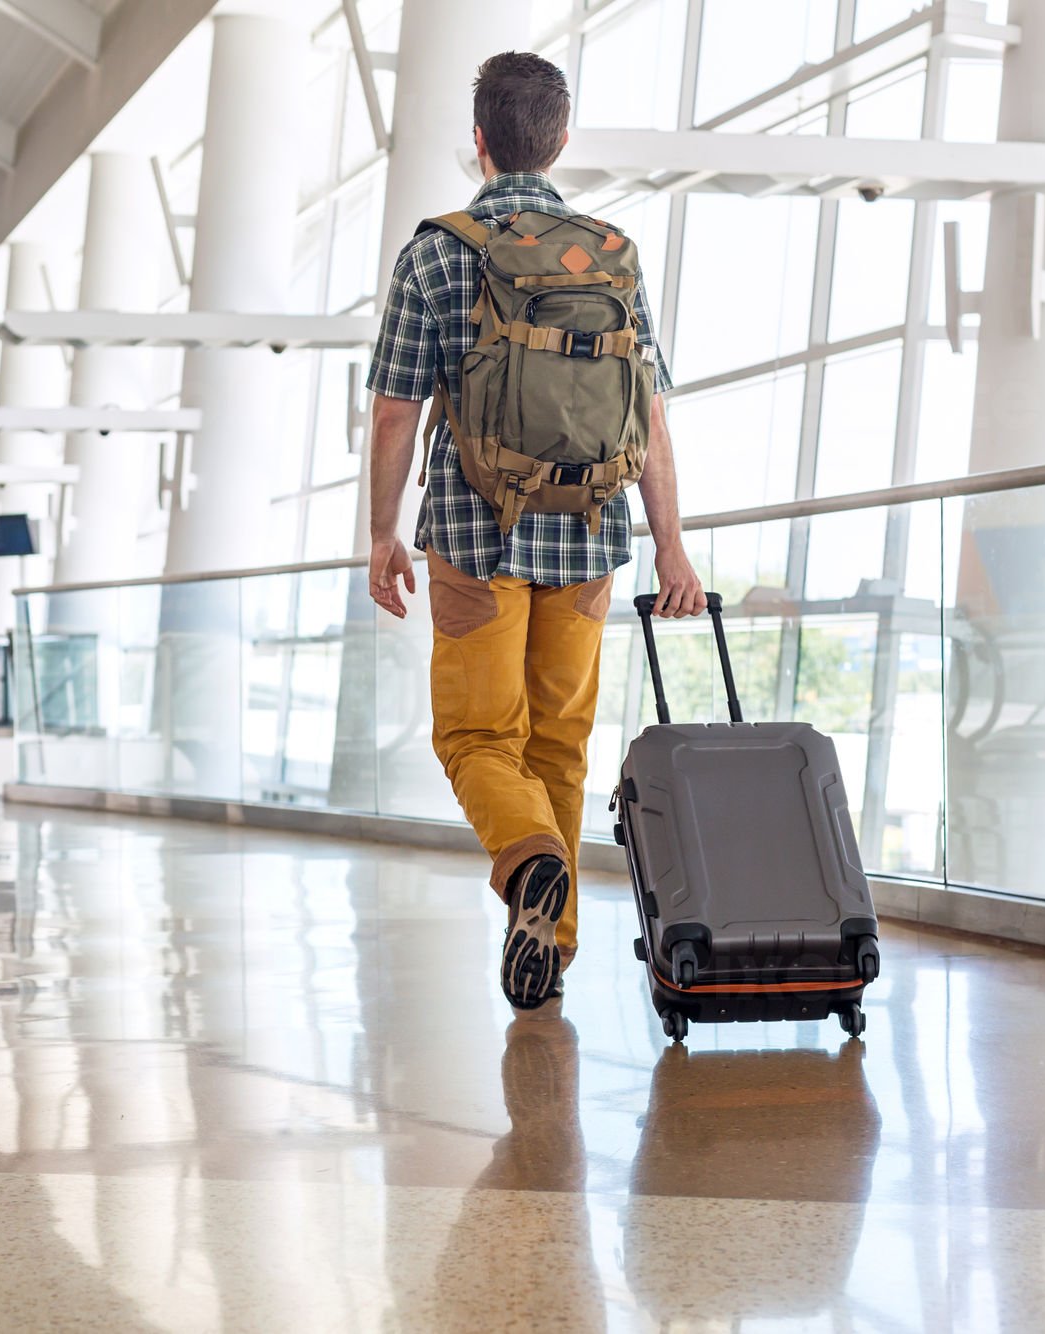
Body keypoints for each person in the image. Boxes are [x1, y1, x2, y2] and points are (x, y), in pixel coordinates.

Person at [364, 51, 706, 1012]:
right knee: (558, 743)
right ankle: (549, 950)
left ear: (479, 141)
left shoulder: (439, 250)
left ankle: (529, 870)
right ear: (558, 139)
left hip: (474, 535)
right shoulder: (612, 253)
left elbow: (395, 411)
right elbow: (651, 416)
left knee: (477, 734)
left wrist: (382, 535)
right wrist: (672, 546)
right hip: (592, 541)